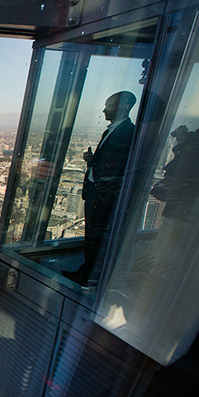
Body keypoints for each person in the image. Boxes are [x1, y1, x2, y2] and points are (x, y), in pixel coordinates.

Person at [63, 91, 137, 285]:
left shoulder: (128, 132)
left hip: (105, 196)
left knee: (97, 236)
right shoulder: (111, 131)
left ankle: (90, 275)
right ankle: (88, 272)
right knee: (92, 235)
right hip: (97, 192)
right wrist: (92, 161)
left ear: (124, 107)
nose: (104, 110)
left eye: (109, 106)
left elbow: (122, 167)